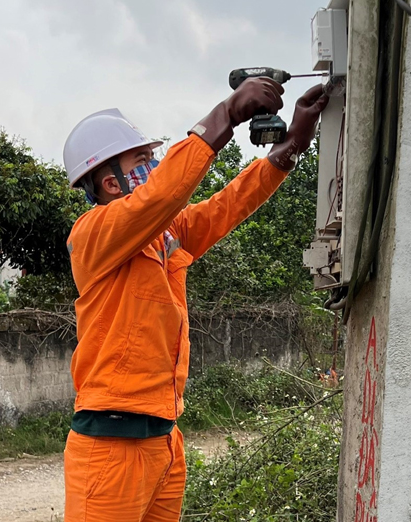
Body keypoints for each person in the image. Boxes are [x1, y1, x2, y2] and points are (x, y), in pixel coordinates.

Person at [61, 77, 328, 521]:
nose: (155, 164)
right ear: (111, 182)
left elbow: (226, 207)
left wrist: (290, 149)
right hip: (111, 447)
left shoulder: (164, 234)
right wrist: (225, 114)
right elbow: (166, 191)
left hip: (164, 441)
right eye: (143, 158)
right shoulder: (92, 234)